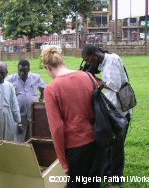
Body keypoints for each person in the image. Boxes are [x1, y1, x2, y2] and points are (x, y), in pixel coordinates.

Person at [42, 46, 106, 188]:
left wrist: (63, 161)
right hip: (98, 142)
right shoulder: (88, 77)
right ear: (62, 61)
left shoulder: (51, 89)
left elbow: (56, 128)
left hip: (76, 149)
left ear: (48, 67)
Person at [81, 44, 132, 186]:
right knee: (109, 143)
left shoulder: (113, 59)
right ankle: (108, 172)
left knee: (116, 146)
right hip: (112, 110)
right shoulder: (104, 63)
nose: (88, 63)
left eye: (88, 59)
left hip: (120, 112)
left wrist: (96, 81)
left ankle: (116, 177)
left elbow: (114, 85)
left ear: (94, 55)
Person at [8, 59, 46, 142]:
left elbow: (44, 88)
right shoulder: (11, 79)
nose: (22, 73)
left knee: (32, 140)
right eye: (20, 71)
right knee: (19, 141)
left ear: (29, 70)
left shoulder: (36, 78)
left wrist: (41, 99)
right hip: (19, 117)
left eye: (24, 71)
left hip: (33, 116)